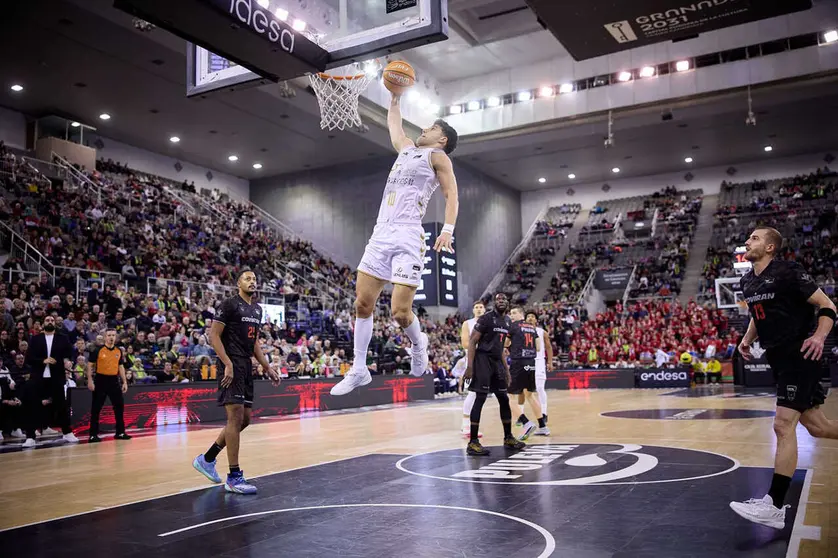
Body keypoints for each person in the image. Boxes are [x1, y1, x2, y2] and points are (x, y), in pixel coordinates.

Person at [330, 91, 460, 396]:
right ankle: (359, 368)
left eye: (433, 129)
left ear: (442, 140)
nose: (425, 129)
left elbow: (451, 195)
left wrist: (448, 229)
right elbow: (395, 128)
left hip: (408, 233)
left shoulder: (438, 157)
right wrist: (394, 99)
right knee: (362, 303)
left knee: (400, 312)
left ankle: (419, 343)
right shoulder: (406, 149)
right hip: (381, 232)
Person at [730, 227, 838, 529]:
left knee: (782, 425)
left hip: (801, 354)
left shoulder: (789, 271)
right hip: (778, 357)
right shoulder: (747, 280)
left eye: (754, 237)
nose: (748, 240)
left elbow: (827, 306)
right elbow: (757, 313)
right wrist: (747, 339)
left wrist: (819, 336)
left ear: (770, 248)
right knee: (818, 427)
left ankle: (774, 506)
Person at [192, 270, 280, 494]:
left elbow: (254, 342)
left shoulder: (257, 309)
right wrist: (227, 364)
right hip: (229, 364)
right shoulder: (229, 305)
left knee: (245, 420)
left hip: (246, 365)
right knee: (235, 417)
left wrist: (267, 366)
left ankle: (207, 458)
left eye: (254, 278)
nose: (252, 281)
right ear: (238, 283)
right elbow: (213, 336)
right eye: (247, 278)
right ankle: (234, 476)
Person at [463, 293, 525, 456]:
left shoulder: (507, 321)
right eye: (498, 299)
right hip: (482, 360)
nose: (501, 301)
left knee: (504, 398)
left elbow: (501, 348)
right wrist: (470, 367)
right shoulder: (486, 319)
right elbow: (472, 341)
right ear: (494, 303)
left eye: (504, 299)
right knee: (480, 398)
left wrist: (506, 369)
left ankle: (508, 437)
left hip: (497, 362)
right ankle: (473, 442)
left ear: (508, 303)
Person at [22, 315, 78, 447]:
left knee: (61, 405)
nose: (50, 322)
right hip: (38, 377)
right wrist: (43, 360)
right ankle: (30, 436)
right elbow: (29, 358)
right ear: (43, 323)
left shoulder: (62, 338)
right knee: (33, 405)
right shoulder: (36, 339)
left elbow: (69, 354)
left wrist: (68, 362)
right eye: (47, 320)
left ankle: (67, 432)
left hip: (56, 376)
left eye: (52, 320)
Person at [506, 307, 548, 439]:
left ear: (521, 315)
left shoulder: (512, 326)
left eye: (514, 313)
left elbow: (506, 343)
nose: (511, 315)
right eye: (510, 313)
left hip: (518, 363)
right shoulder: (532, 328)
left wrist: (510, 345)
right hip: (531, 363)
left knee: (509, 397)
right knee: (530, 395)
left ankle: (526, 423)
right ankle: (543, 426)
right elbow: (538, 347)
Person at [86, 329, 131, 443]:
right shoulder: (98, 350)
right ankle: (93, 435)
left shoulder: (118, 351)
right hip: (101, 380)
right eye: (109, 335)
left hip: (114, 380)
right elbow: (90, 365)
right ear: (105, 337)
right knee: (96, 408)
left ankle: (120, 432)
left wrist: (124, 381)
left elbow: (120, 366)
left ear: (116, 337)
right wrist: (90, 381)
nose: (111, 337)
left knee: (119, 407)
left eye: (113, 335)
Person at [459, 301, 485, 437]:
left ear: (485, 310)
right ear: (473, 310)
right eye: (476, 307)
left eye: (481, 307)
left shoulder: (489, 322)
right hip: (473, 359)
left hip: (487, 360)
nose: (479, 309)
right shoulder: (467, 323)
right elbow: (464, 343)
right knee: (473, 393)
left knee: (481, 394)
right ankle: (465, 425)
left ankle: (473, 425)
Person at [527, 310, 552, 425]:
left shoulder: (542, 332)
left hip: (539, 362)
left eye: (532, 316)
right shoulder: (521, 332)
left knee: (540, 388)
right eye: (528, 317)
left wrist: (550, 362)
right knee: (524, 391)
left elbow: (549, 348)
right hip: (526, 362)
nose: (530, 318)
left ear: (536, 320)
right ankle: (521, 415)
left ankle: (544, 413)